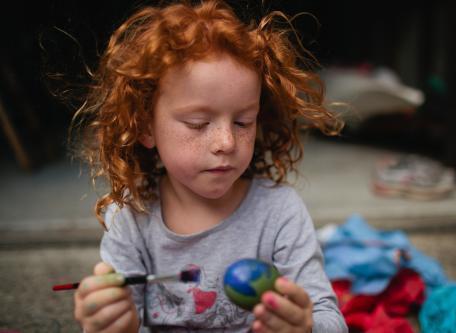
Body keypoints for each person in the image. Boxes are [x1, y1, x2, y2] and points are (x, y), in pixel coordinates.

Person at [71, 1, 346, 332]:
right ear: (145, 127)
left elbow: (330, 320)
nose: (226, 142)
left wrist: (304, 326)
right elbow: (120, 318)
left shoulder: (279, 211)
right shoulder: (131, 216)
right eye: (198, 123)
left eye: (243, 122)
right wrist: (115, 324)